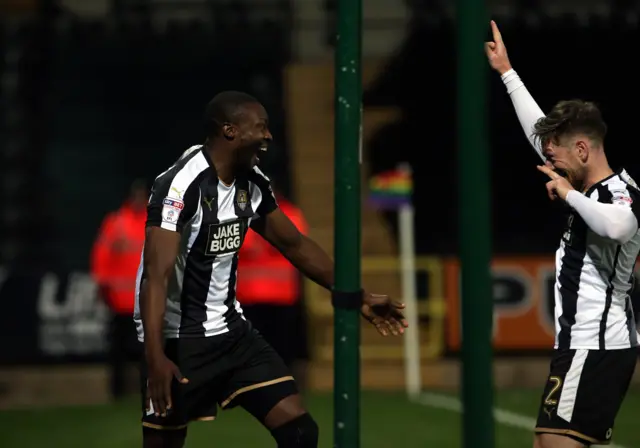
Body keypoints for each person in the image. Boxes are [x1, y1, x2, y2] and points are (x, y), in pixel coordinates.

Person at [134, 90, 408, 448]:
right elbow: (156, 276)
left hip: (232, 333)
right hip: (177, 341)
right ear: (230, 131)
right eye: (260, 127)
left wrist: (357, 296)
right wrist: (155, 357)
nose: (268, 136)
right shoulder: (181, 186)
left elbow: (295, 245)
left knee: (299, 432)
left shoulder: (253, 181)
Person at [486, 21, 640, 448]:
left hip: (595, 346)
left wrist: (570, 194)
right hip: (584, 346)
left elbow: (621, 225)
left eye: (559, 153)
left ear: (583, 150)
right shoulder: (588, 184)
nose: (551, 161)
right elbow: (541, 139)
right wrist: (507, 73)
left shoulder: (616, 193)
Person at [237, 186, 310, 390]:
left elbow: (294, 241)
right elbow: (241, 244)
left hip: (282, 295)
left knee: (284, 347)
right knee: (252, 348)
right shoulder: (241, 210)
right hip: (249, 295)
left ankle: (286, 385)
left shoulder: (291, 213)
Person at [90, 179, 148, 399]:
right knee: (119, 353)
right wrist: (103, 285)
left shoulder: (154, 223)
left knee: (147, 351)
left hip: (144, 301)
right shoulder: (116, 222)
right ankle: (118, 393)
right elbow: (101, 256)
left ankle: (147, 392)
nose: (139, 200)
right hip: (120, 302)